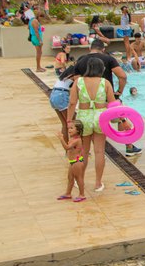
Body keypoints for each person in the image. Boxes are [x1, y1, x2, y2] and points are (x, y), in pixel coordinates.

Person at [67, 57, 116, 192]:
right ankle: (98, 183)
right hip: (101, 117)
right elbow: (113, 104)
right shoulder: (105, 83)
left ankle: (80, 179)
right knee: (99, 151)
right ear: (102, 69)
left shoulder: (78, 82)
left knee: (83, 151)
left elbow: (72, 103)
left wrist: (69, 120)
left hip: (84, 117)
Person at [56, 120, 86, 202]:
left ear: (78, 130)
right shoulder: (73, 138)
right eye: (69, 128)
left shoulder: (77, 140)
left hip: (77, 162)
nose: (69, 130)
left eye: (72, 128)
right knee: (70, 178)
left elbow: (67, 147)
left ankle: (82, 194)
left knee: (79, 178)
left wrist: (61, 139)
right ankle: (68, 193)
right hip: (73, 162)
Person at [50, 67, 76, 143]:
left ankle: (67, 149)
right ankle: (74, 147)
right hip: (61, 95)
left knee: (64, 124)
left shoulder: (64, 75)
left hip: (54, 94)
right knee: (72, 123)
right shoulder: (76, 73)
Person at [28, 6, 45, 72]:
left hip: (35, 37)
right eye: (41, 17)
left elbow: (28, 28)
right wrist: (40, 40)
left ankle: (39, 67)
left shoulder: (32, 20)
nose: (42, 19)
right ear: (39, 16)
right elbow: (36, 31)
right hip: (36, 38)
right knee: (39, 53)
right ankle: (38, 68)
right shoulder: (35, 21)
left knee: (40, 52)